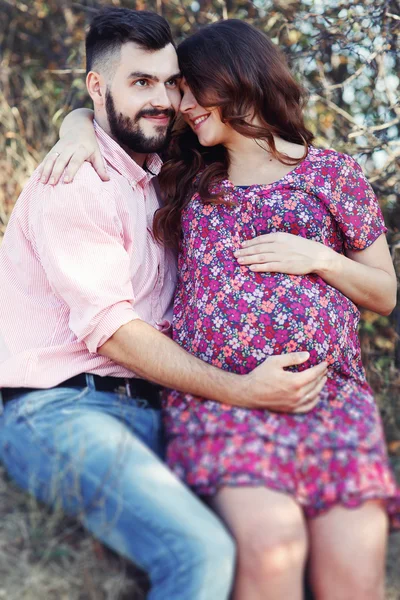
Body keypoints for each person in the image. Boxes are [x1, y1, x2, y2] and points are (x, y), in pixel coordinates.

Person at [44, 17, 400, 600]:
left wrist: (318, 258)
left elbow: (384, 295)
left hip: (331, 397)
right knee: (267, 555)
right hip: (224, 400)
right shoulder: (185, 173)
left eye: (188, 87)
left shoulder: (333, 173)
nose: (179, 104)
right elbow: (106, 117)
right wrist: (75, 126)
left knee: (353, 581)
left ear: (237, 79)